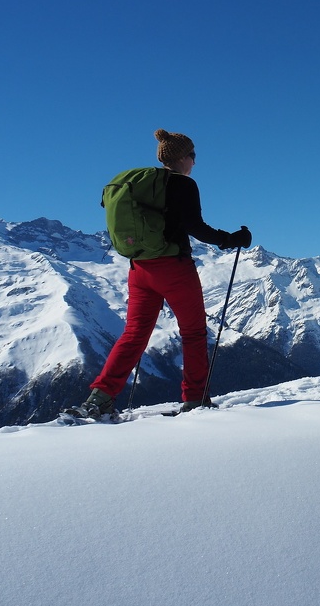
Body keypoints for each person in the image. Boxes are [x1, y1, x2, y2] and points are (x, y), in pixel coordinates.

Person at [67, 129, 252, 418]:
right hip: (174, 269)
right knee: (192, 334)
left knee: (134, 334)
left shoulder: (142, 186)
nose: (195, 161)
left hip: (139, 269)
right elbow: (196, 227)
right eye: (193, 155)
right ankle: (195, 400)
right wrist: (231, 239)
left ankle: (99, 399)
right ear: (181, 157)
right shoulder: (182, 185)